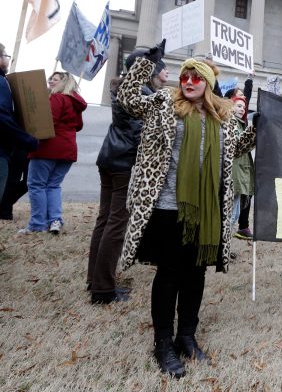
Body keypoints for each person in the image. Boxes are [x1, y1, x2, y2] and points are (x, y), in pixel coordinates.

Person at [116, 52, 257, 378]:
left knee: (195, 274)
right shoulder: (163, 103)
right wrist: (145, 64)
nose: (189, 82)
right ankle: (163, 342)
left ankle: (187, 337)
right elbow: (127, 99)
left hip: (207, 209)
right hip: (167, 206)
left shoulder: (222, 115)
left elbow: (236, 148)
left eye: (196, 77)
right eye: (185, 77)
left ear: (208, 82)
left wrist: (258, 128)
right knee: (169, 274)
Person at [87, 46, 167, 304]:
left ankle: (95, 279)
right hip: (124, 162)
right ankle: (103, 289)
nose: (159, 73)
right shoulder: (140, 92)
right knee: (116, 224)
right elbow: (139, 132)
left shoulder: (122, 88)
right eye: (156, 68)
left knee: (105, 220)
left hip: (110, 157)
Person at [19, 71, 87, 235]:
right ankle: (55, 220)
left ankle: (37, 225)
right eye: (50, 78)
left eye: (55, 80)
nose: (50, 81)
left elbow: (49, 120)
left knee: (36, 185)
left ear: (64, 83)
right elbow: (78, 126)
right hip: (68, 149)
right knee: (53, 185)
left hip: (48, 147)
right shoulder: (74, 101)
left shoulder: (56, 98)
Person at [0, 42, 39, 214]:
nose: (7, 59)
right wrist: (27, 139)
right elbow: (1, 116)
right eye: (5, 55)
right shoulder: (1, 83)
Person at [230, 96, 254, 240]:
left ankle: (224, 246)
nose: (242, 109)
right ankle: (221, 248)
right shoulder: (231, 123)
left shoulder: (239, 124)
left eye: (243, 107)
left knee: (235, 214)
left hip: (239, 174)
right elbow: (239, 144)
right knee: (231, 214)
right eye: (239, 106)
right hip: (234, 175)